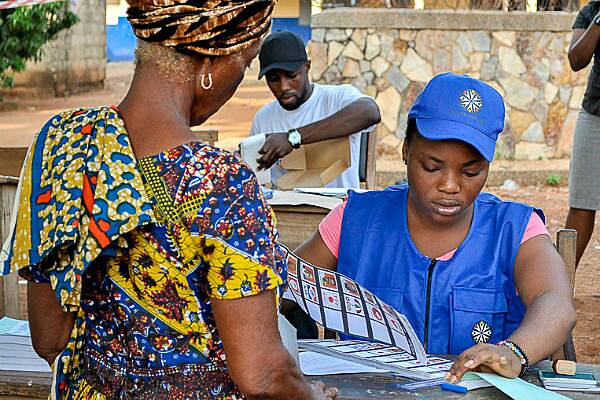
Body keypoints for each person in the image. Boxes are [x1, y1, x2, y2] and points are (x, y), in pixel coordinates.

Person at [0, 1, 336, 399]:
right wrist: (312, 394)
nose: (237, 81)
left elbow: (50, 340)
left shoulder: (62, 144)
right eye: (244, 65)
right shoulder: (220, 183)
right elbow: (263, 376)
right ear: (210, 64)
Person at [295, 73, 576, 383]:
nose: (450, 185)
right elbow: (281, 286)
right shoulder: (356, 219)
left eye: (471, 172)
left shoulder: (514, 229)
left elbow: (555, 302)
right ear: (405, 151)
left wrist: (512, 352)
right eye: (431, 167)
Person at [249, 30, 381, 189]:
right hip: (287, 212)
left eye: (291, 75)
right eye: (273, 79)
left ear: (307, 67)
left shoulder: (336, 98)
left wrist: (292, 138)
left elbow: (370, 112)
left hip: (337, 209)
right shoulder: (264, 118)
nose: (283, 87)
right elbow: (256, 178)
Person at [565, 0, 600, 268]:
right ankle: (559, 283)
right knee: (581, 203)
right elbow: (576, 60)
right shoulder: (591, 12)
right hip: (594, 115)